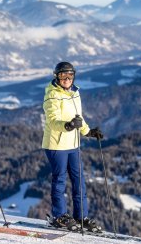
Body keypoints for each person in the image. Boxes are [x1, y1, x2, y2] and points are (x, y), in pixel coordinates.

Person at [42, 61, 104, 232]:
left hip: (73, 144)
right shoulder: (52, 95)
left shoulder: (75, 93)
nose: (67, 79)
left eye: (70, 75)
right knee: (60, 179)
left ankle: (81, 216)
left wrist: (88, 132)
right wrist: (68, 126)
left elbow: (79, 118)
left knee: (79, 181)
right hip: (56, 144)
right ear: (57, 77)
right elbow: (52, 120)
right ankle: (59, 216)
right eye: (63, 75)